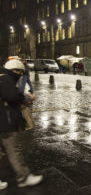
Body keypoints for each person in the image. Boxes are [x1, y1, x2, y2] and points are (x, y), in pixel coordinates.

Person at [0, 59, 43, 190]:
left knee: (2, 151)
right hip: (5, 121)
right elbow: (12, 96)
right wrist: (26, 98)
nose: (20, 75)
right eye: (20, 72)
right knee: (14, 149)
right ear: (15, 70)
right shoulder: (6, 79)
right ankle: (24, 177)